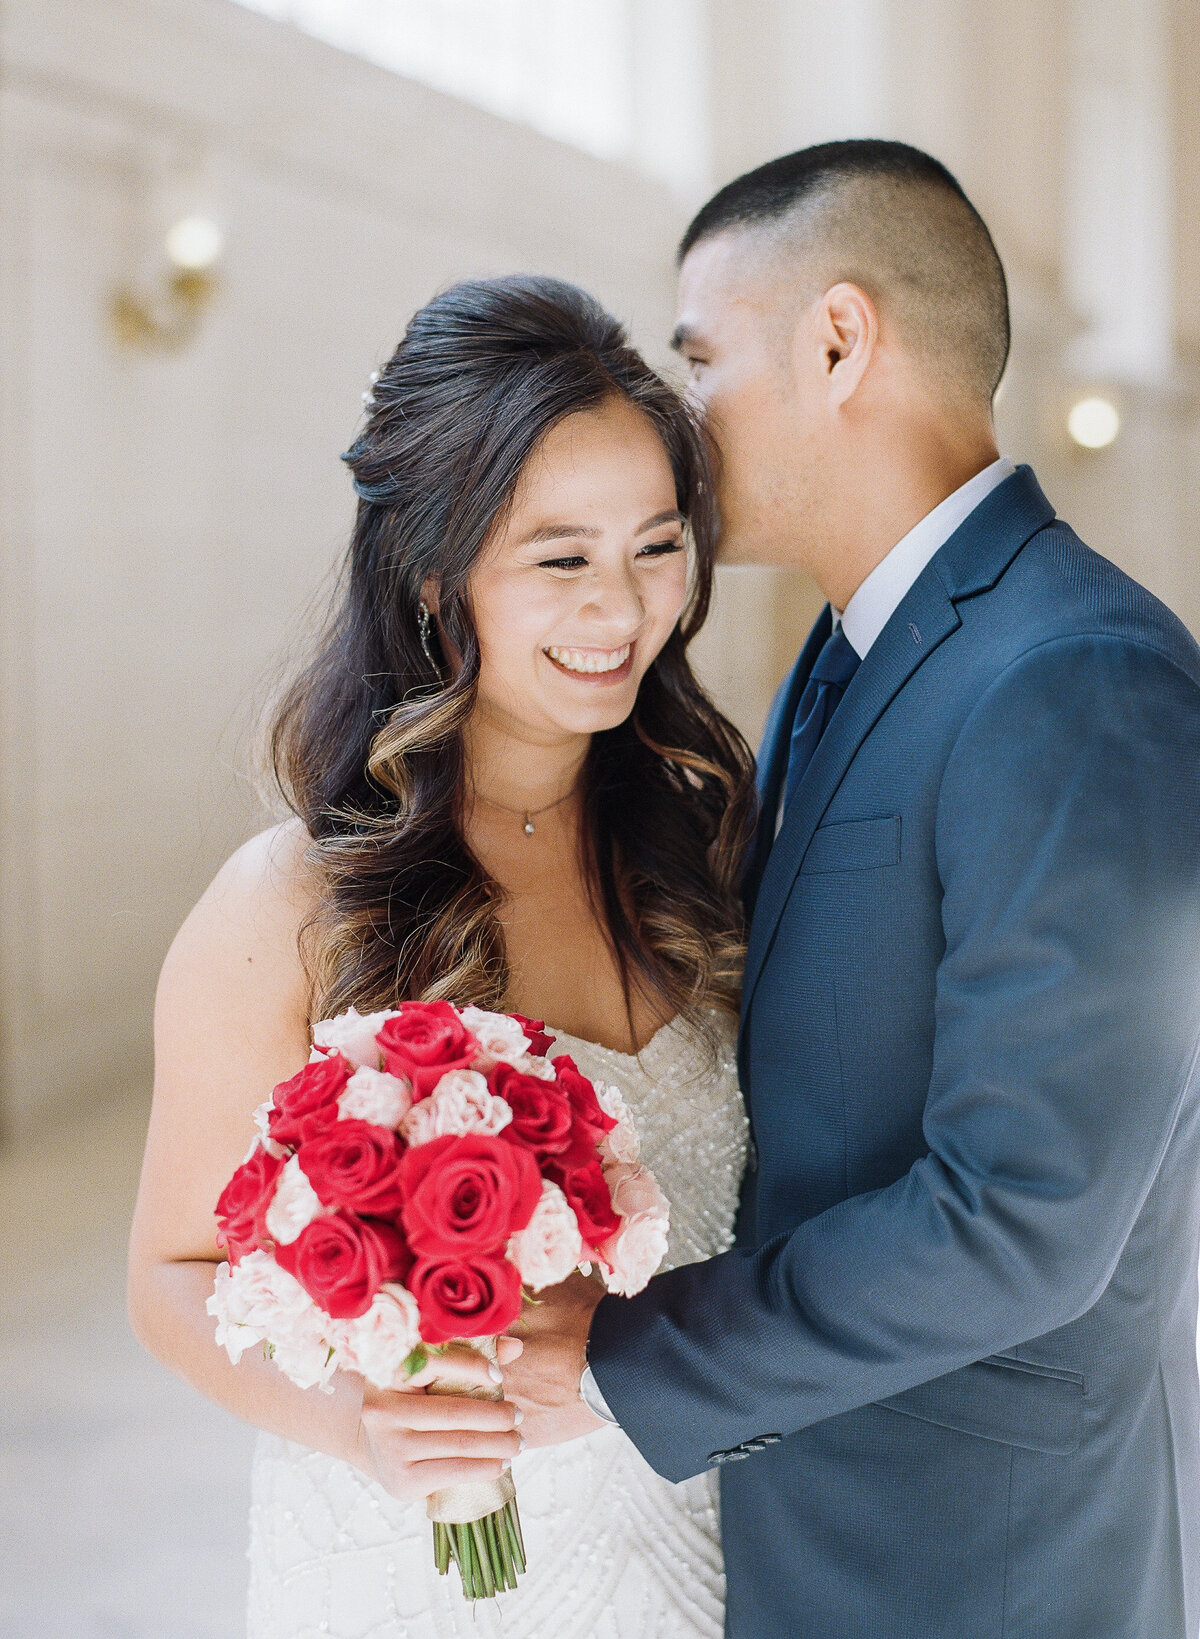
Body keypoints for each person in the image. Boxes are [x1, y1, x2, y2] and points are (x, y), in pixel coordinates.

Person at [503, 141, 1200, 1638]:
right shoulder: (848, 650)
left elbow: (1027, 1215)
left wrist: (626, 1360)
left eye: (700, 360)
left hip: (981, 1565)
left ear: (837, 340)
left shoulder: (1078, 678)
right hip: (821, 1514)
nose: (676, 425)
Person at [126, 275, 757, 1638]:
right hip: (424, 1568)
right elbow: (172, 1275)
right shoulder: (301, 903)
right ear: (433, 569)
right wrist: (358, 1419)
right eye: (559, 558)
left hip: (687, 1549)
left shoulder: (704, 848)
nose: (621, 609)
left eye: (656, 547)